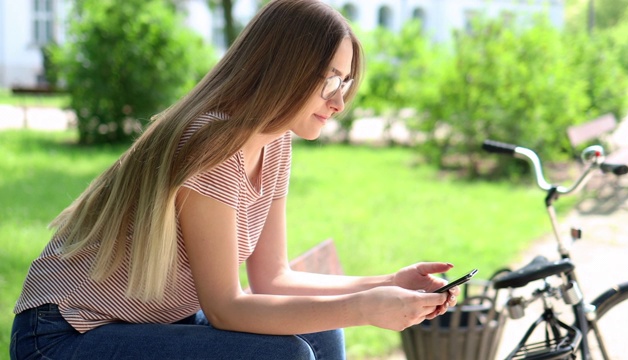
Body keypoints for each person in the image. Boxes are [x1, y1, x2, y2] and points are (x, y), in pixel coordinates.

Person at [10, 0, 460, 359]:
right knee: (287, 356)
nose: (339, 101)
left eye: (345, 82)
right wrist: (366, 308)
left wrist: (387, 283)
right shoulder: (211, 144)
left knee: (322, 335)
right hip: (64, 334)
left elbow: (274, 279)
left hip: (154, 322)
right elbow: (226, 308)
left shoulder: (275, 142)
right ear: (287, 69)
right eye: (330, 81)